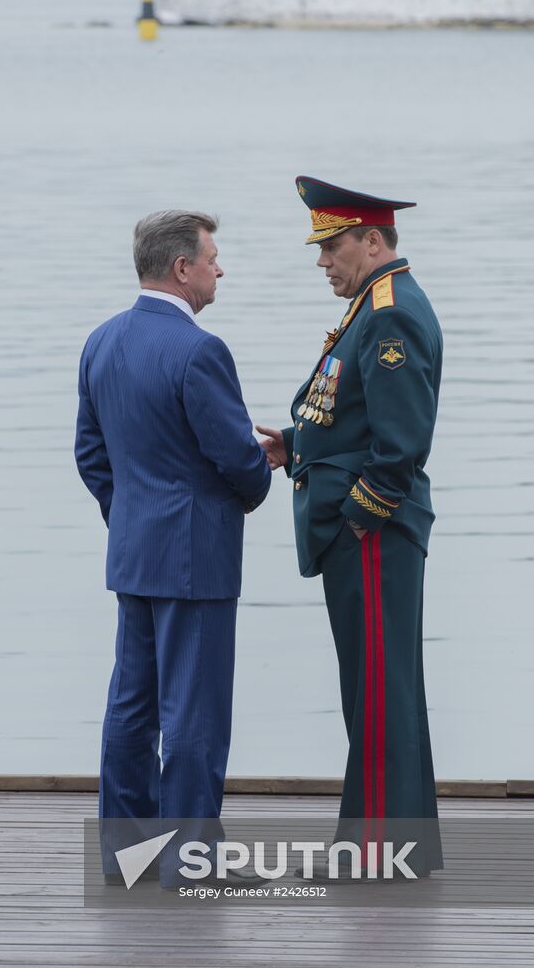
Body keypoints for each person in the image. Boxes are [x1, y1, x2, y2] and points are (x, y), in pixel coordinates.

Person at [75, 211, 271, 880]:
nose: (221, 269)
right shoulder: (199, 351)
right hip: (196, 560)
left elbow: (90, 454)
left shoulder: (101, 341)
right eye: (213, 259)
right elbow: (235, 459)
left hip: (135, 553)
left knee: (131, 708)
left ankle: (125, 856)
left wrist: (131, 516)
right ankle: (192, 862)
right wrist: (261, 469)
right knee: (195, 715)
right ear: (183, 268)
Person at [257, 176, 444, 879]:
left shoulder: (389, 315)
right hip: (367, 530)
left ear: (371, 241)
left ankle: (374, 852)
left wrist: (358, 518)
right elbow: (354, 414)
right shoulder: (373, 304)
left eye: (331, 246)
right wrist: (295, 447)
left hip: (373, 533)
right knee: (380, 687)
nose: (322, 261)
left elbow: (400, 444)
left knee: (378, 691)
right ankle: (398, 846)